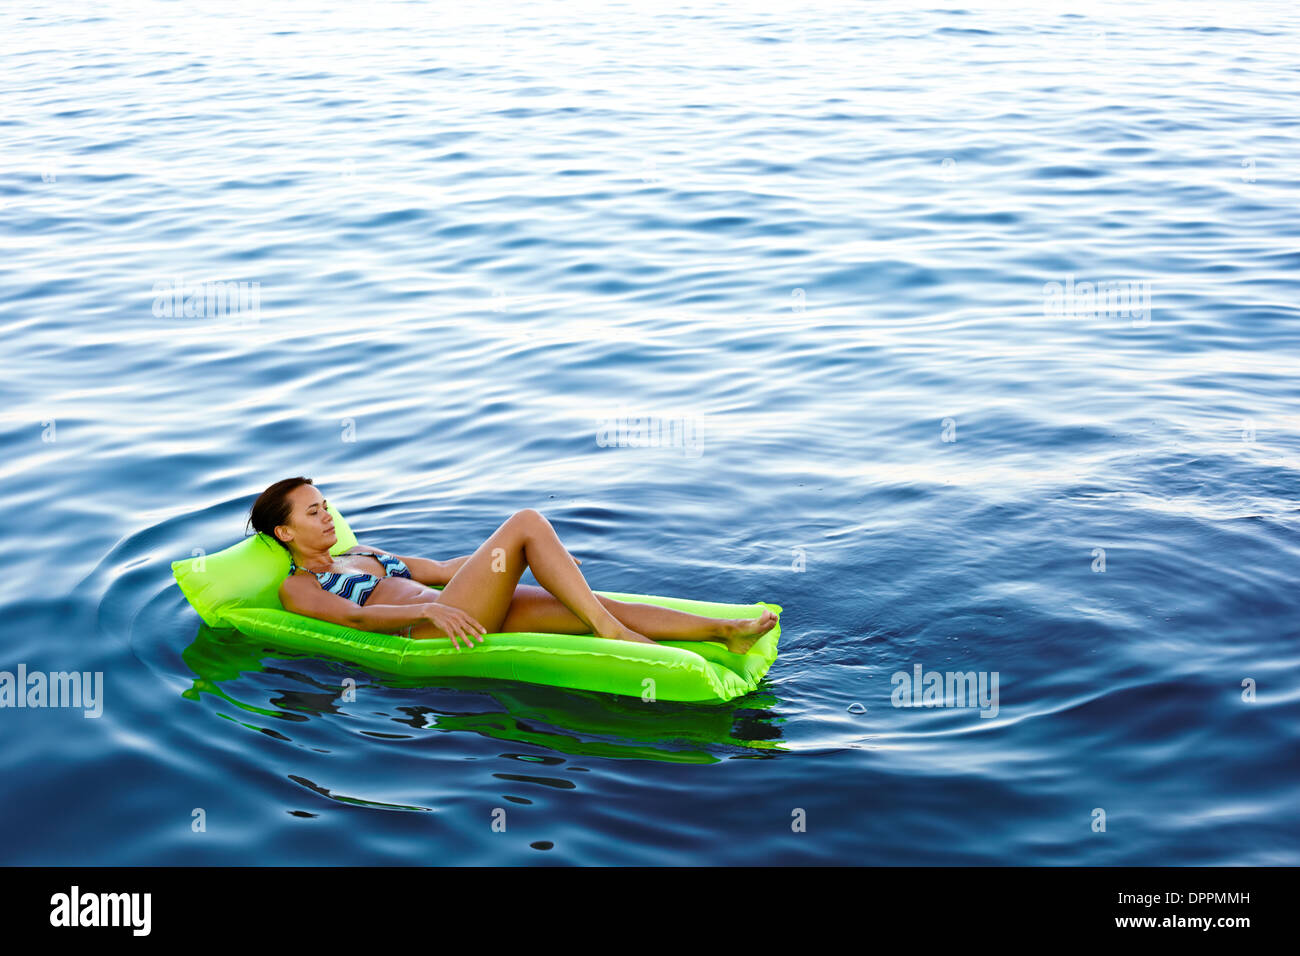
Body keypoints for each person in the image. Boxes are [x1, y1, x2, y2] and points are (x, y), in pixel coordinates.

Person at [247, 476, 777, 653]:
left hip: (459, 606)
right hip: (432, 629)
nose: (328, 517)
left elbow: (441, 569)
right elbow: (354, 620)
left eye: (326, 507)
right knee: (525, 521)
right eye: (314, 513)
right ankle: (610, 633)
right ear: (285, 532)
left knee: (590, 602)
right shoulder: (301, 585)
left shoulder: (362, 553)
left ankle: (725, 632)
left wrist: (539, 562)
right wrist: (430, 616)